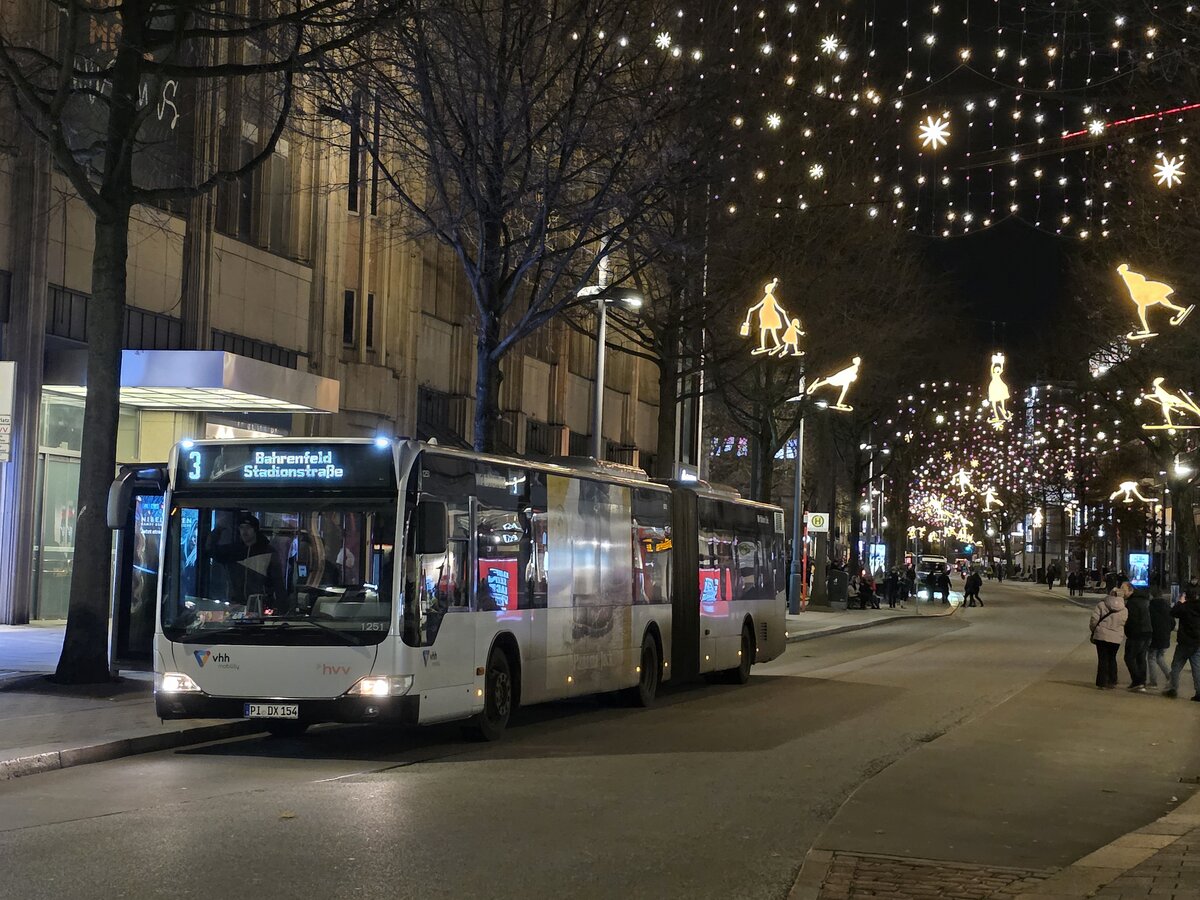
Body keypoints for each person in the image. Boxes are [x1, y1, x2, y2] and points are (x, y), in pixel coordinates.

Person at [206, 513, 284, 612]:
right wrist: (218, 529)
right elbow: (210, 550)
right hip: (235, 606)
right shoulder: (233, 551)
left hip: (260, 607)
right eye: (241, 528)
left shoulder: (267, 552)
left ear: (255, 530)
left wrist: (280, 607)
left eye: (248, 527)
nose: (244, 531)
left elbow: (278, 582)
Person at [1163, 583, 1200, 700]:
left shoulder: (1184, 607)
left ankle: (1173, 689)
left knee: (1176, 666)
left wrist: (1180, 601)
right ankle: (1199, 692)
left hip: (1184, 643)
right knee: (1197, 668)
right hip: (1197, 642)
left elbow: (1173, 612)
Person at [1090, 588, 1128, 689]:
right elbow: (1124, 623)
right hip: (1116, 638)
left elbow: (1094, 619)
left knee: (1102, 659)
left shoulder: (1101, 605)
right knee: (1112, 658)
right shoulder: (1124, 609)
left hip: (1101, 635)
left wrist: (1093, 629)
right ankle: (1112, 680)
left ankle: (1102, 682)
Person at [1121, 581, 1152, 692]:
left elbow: (1132, 620)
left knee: (1129, 657)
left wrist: (1127, 631)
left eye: (1124, 590)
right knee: (1140, 658)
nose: (1122, 592)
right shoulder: (1144, 599)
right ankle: (1141, 682)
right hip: (1147, 632)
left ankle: (1137, 681)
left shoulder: (1132, 603)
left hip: (1137, 633)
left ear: (1130, 590)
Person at [1147, 590, 1174, 689]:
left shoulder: (1150, 607)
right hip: (1165, 636)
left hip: (1154, 636)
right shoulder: (1168, 607)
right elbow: (1173, 623)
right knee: (1160, 657)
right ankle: (1170, 676)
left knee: (1151, 658)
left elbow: (1148, 622)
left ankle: (1153, 682)